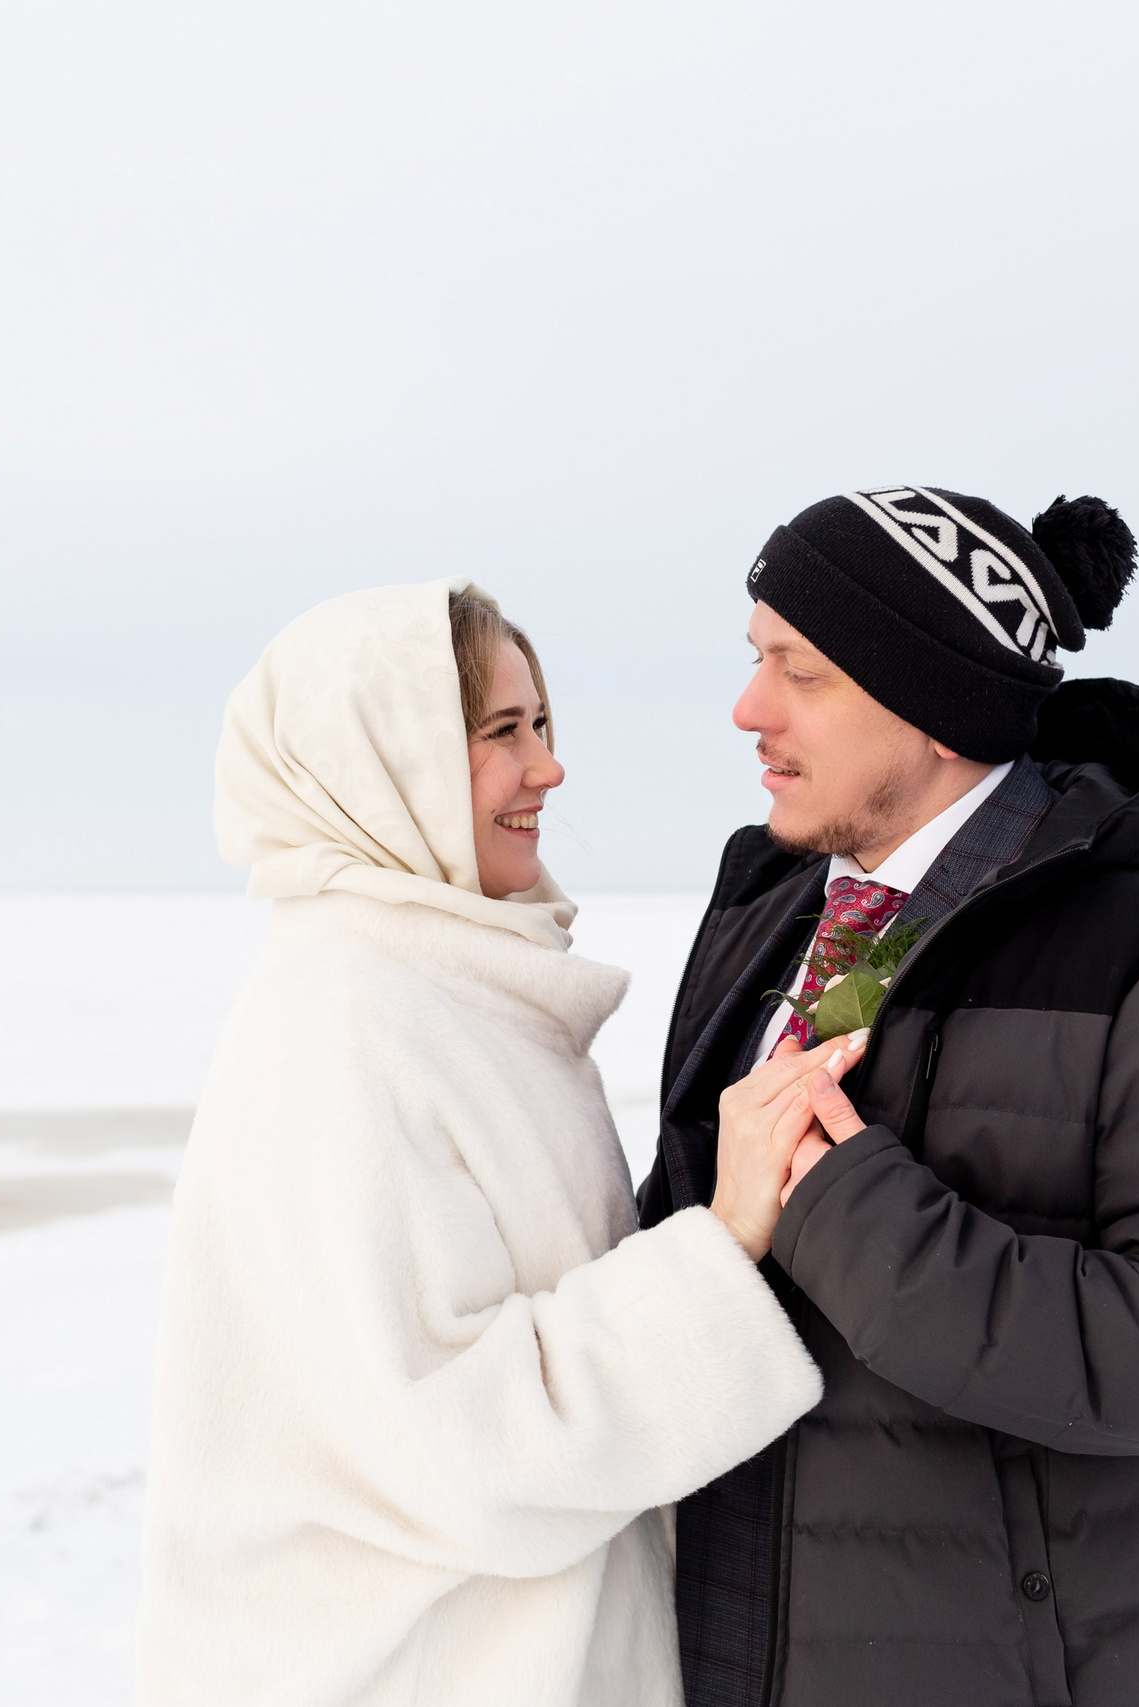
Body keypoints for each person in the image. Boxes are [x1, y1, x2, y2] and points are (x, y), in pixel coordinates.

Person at [638, 487, 1139, 1707]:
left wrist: (858, 1219)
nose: (748, 711)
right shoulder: (774, 919)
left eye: (797, 673)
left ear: (932, 704)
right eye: (755, 662)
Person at [141, 580, 854, 1707]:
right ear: (387, 762)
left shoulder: (456, 989)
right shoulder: (343, 1030)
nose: (548, 769)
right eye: (497, 734)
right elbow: (455, 1442)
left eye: (543, 724)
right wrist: (722, 1242)